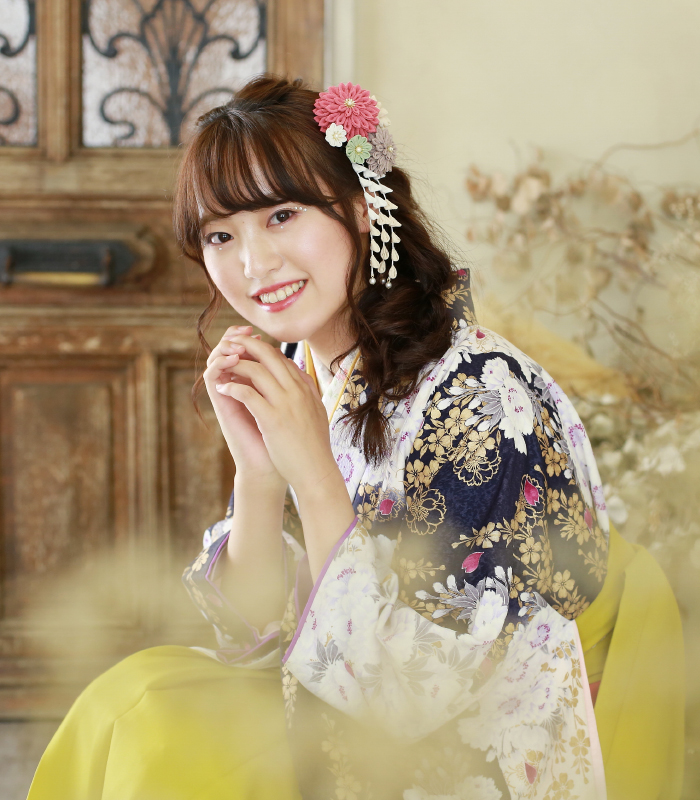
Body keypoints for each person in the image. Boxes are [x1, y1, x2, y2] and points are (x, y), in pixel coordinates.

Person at [28, 75, 683, 800]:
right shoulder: (304, 368)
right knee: (130, 706)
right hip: (327, 701)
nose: (253, 264)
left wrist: (314, 476)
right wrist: (257, 475)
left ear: (363, 208)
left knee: (155, 736)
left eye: (281, 216)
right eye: (221, 235)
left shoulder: (485, 400)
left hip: (450, 747)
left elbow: (409, 700)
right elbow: (249, 638)